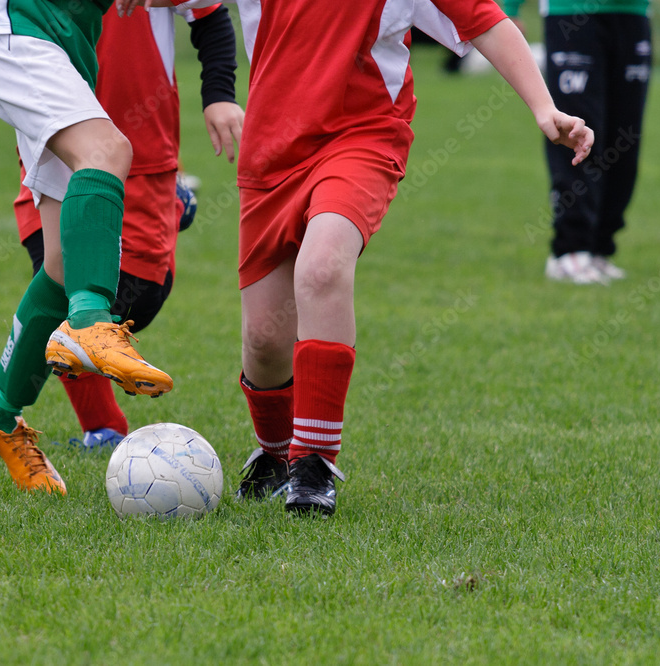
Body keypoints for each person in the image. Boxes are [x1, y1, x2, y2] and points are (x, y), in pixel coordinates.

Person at [167, 0, 593, 515]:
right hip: (271, 153)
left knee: (323, 267)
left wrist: (544, 107)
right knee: (264, 340)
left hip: (361, 139)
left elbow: (484, 19)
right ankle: (276, 455)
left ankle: (314, 464)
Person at [0, 4, 243, 455]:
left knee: (61, 267)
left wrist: (218, 91)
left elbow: (208, 15)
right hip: (23, 27)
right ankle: (90, 326)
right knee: (108, 151)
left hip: (62, 50)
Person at [503, 0, 651, 285]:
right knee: (578, 132)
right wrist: (512, 8)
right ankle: (570, 249)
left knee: (625, 139)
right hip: (571, 11)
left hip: (633, 12)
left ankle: (599, 247)